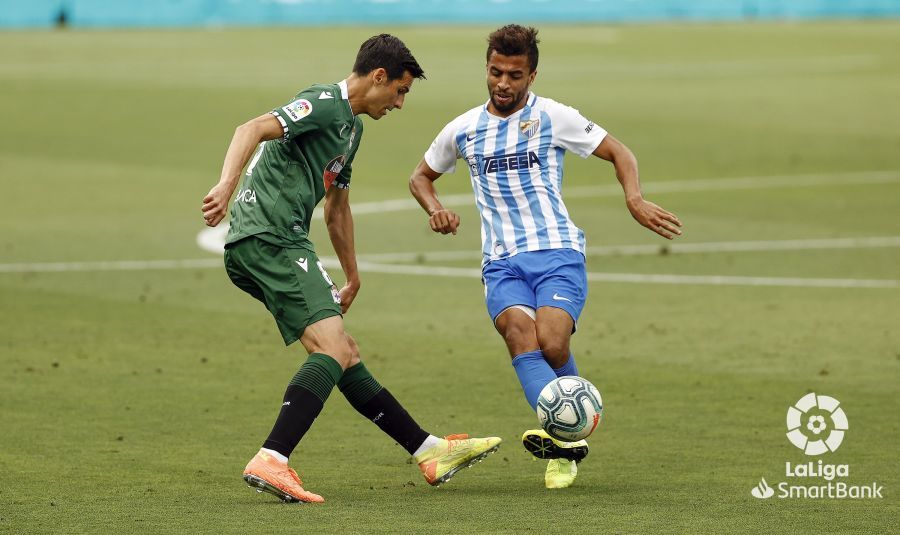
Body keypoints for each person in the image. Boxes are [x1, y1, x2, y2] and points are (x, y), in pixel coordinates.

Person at [201, 34, 501, 504]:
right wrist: (225, 185)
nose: (401, 103)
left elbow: (336, 208)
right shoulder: (323, 103)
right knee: (334, 349)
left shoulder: (351, 131)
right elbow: (250, 128)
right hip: (268, 238)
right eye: (400, 91)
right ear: (379, 77)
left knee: (343, 351)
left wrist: (353, 274)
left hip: (280, 241)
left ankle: (428, 451)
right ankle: (272, 459)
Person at [408, 25, 682, 489]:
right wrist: (436, 209)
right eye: (496, 72)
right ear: (487, 69)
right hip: (501, 261)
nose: (503, 84)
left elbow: (619, 151)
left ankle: (567, 434)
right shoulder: (464, 129)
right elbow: (420, 177)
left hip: (556, 251)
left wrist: (634, 197)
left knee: (552, 343)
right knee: (520, 334)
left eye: (515, 75)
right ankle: (565, 444)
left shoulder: (555, 116)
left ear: (531, 75)